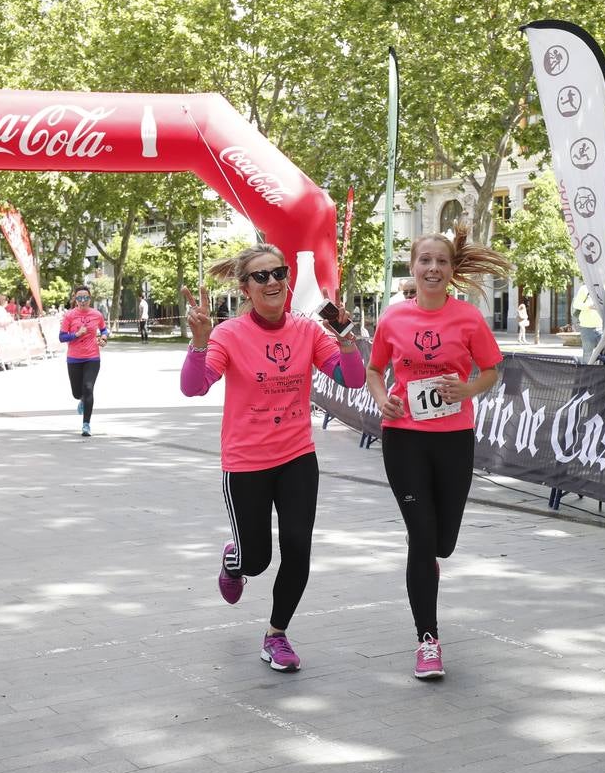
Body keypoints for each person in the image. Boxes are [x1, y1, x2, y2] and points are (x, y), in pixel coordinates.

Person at [178, 244, 364, 673]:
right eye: (260, 276)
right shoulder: (229, 334)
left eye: (278, 272)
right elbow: (194, 387)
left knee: (298, 550)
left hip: (297, 457)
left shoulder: (309, 330)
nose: (273, 282)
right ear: (245, 288)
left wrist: (348, 342)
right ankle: (235, 559)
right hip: (246, 462)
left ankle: (276, 635)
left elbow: (351, 380)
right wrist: (200, 340)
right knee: (257, 561)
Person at [365, 223, 510, 680]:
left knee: (442, 543)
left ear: (451, 270)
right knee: (422, 539)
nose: (432, 268)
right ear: (412, 268)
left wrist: (466, 388)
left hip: (453, 439)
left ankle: (428, 561)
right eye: (424, 261)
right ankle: (427, 639)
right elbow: (374, 369)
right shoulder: (393, 318)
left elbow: (492, 370)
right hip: (403, 437)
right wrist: (380, 396)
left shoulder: (467, 318)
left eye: (440, 261)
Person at [58, 285, 108, 436]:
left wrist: (104, 338)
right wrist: (76, 334)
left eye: (85, 297)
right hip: (74, 358)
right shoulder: (69, 315)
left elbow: (104, 329)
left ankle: (86, 424)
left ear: (89, 298)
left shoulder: (97, 314)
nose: (82, 301)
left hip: (92, 357)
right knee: (77, 393)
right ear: (75, 299)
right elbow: (61, 337)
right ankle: (82, 400)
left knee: (88, 388)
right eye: (79, 298)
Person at [571, 285, 602, 360]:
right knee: (587, 355)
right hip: (587, 328)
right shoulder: (584, 288)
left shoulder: (603, 288)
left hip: (602, 328)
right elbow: (576, 304)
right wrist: (589, 306)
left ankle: (603, 371)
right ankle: (587, 371)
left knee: (604, 357)